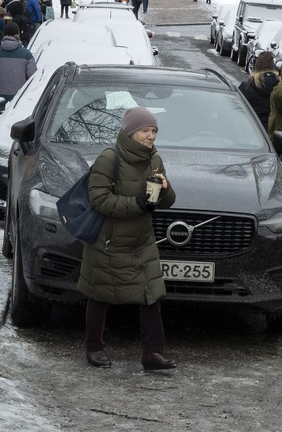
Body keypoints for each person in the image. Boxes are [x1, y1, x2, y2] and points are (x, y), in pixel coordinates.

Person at [80, 106, 177, 372]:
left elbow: (166, 201)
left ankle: (153, 353)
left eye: (154, 131)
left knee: (150, 294)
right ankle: (94, 347)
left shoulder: (154, 159)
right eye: (145, 130)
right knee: (101, 293)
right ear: (130, 132)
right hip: (110, 240)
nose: (150, 136)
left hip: (142, 239)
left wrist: (165, 191)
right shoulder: (109, 158)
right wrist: (137, 203)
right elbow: (98, 199)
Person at [0, 22, 36, 109]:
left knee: (0, 120)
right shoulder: (26, 54)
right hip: (19, 97)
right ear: (17, 34)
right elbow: (33, 76)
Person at [239, 51, 279, 128]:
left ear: (256, 67)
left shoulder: (246, 87)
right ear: (273, 67)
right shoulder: (281, 88)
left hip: (252, 132)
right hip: (273, 134)